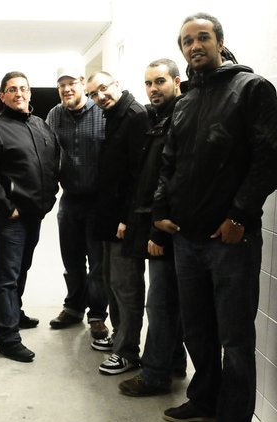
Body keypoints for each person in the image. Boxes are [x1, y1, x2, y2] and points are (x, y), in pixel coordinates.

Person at [152, 13, 277, 422]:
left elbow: (270, 160)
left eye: (202, 37)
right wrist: (161, 211)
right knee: (197, 330)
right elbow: (170, 161)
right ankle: (205, 400)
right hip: (187, 240)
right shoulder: (187, 100)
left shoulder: (251, 88)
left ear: (220, 42)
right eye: (187, 40)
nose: (194, 46)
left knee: (235, 340)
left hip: (231, 242)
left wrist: (239, 217)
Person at [0, 71, 60, 362]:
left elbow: (52, 162)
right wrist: (5, 206)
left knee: (21, 268)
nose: (19, 93)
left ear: (30, 93)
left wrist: (50, 196)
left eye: (23, 88)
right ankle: (7, 336)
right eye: (12, 89)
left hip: (34, 214)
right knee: (6, 276)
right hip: (10, 217)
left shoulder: (40, 125)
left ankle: (15, 312)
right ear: (2, 96)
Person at [118, 59, 187, 397]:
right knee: (168, 301)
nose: (153, 89)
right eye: (148, 83)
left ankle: (155, 375)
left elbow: (172, 177)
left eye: (159, 81)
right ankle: (173, 361)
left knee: (159, 304)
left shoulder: (179, 117)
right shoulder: (159, 117)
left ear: (176, 81)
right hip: (157, 222)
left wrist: (157, 232)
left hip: (165, 228)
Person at [85, 71, 150, 375]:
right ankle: (119, 337)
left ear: (117, 85)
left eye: (103, 89)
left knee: (126, 287)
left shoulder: (135, 116)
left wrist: (127, 219)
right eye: (93, 94)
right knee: (112, 283)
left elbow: (140, 176)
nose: (100, 97)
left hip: (125, 221)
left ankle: (127, 352)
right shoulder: (113, 116)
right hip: (109, 218)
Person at [45, 67, 109, 345]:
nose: (67, 89)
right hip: (69, 198)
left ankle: (97, 315)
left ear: (82, 83)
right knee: (71, 260)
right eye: (62, 85)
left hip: (98, 200)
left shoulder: (102, 111)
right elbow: (48, 154)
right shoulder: (54, 115)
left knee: (97, 264)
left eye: (71, 83)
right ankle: (73, 308)